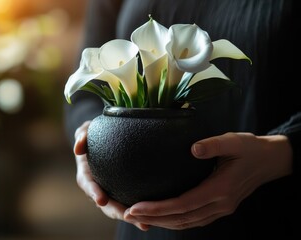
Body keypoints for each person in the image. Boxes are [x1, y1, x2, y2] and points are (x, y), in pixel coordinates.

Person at [64, 0, 300, 239]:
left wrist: (280, 152)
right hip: (142, 228)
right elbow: (82, 95)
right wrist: (93, 141)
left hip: (268, 217)